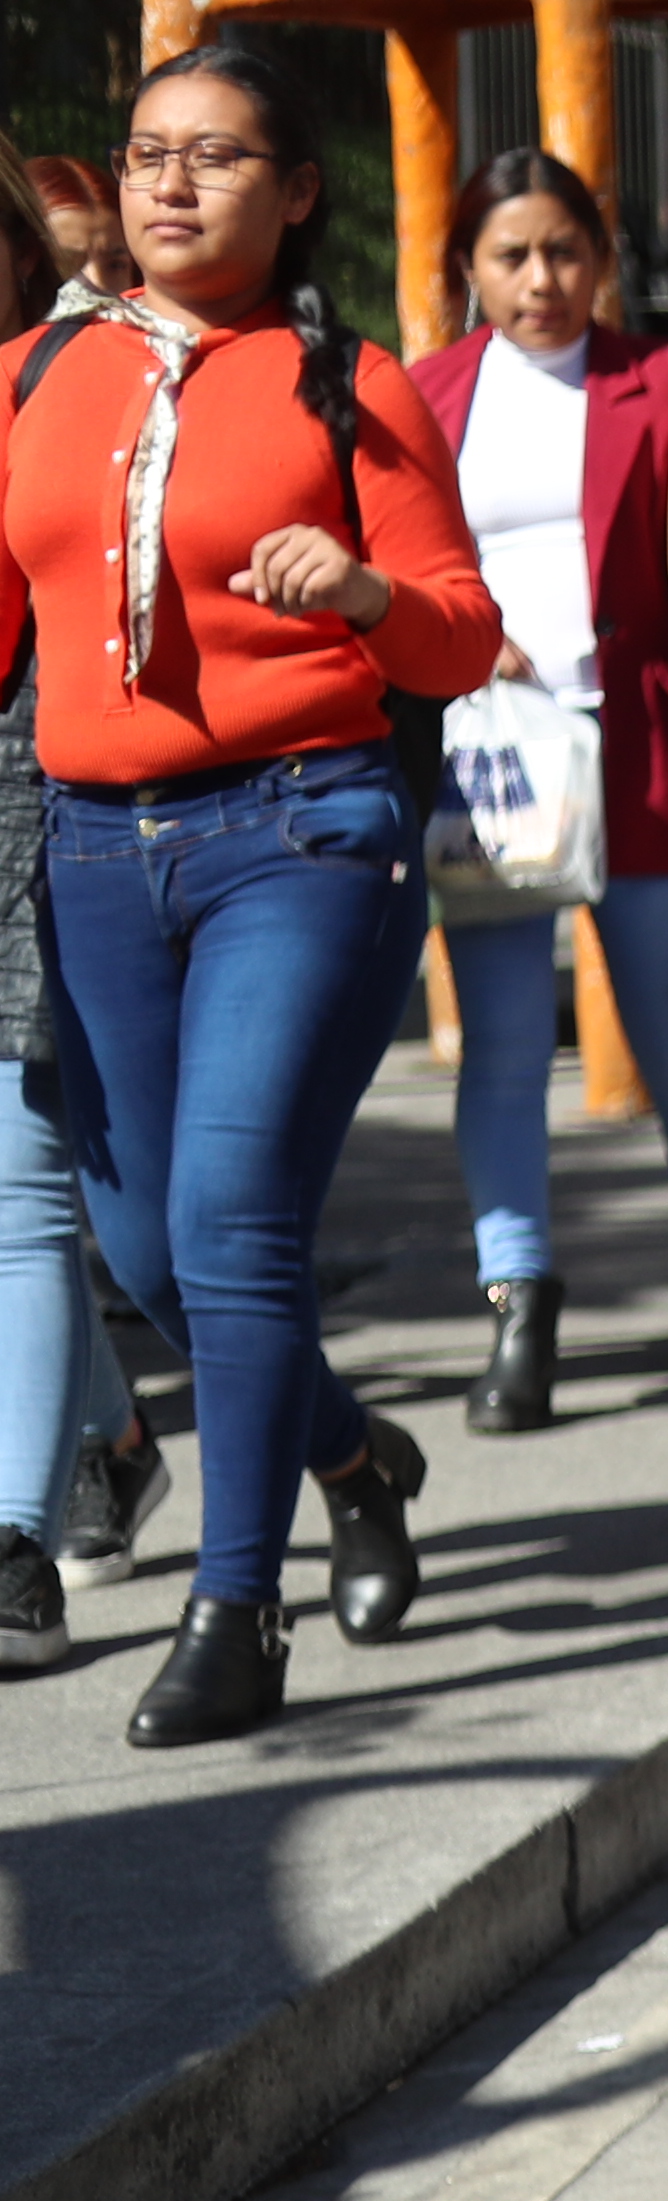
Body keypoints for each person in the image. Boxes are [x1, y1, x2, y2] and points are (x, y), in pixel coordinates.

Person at [7, 40, 497, 1743]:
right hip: (91, 843)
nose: (169, 183)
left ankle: (238, 1608)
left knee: (226, 1219)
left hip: (300, 831)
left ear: (295, 192)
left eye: (215, 157)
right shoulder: (32, 379)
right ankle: (354, 1458)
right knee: (143, 1245)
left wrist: (363, 586)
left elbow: (460, 628)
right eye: (147, 153)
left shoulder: (348, 381)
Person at [407, 144, 668, 1433]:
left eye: (564, 250)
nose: (540, 278)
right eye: (511, 254)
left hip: (645, 746)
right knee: (501, 1047)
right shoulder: (424, 394)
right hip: (490, 757)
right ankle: (520, 1311)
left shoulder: (662, 382)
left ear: (601, 262)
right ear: (469, 270)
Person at [0, 141, 163, 1663]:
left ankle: (15, 1553)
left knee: (24, 1193)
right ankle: (108, 1445)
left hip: (43, 804)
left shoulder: (83, 367)